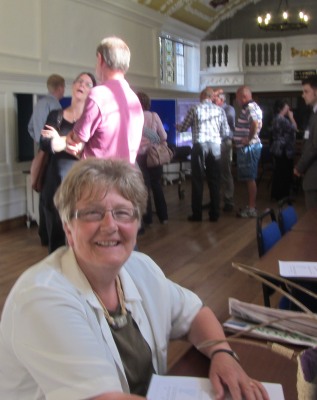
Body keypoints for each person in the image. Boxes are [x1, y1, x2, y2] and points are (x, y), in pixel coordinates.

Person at [0, 157, 269, 400]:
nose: (110, 225)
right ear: (68, 229)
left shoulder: (139, 268)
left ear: (137, 224)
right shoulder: (42, 297)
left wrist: (222, 353)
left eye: (122, 212)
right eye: (93, 212)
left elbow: (195, 313)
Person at [63, 36, 144, 164]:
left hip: (99, 178)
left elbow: (75, 140)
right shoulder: (135, 100)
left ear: (100, 59)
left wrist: (71, 138)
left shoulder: (98, 95)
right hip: (126, 178)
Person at [40, 72, 96, 253]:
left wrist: (60, 141)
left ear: (92, 92)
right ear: (72, 86)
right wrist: (72, 143)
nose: (82, 85)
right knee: (55, 239)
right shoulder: (56, 115)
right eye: (79, 81)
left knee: (80, 237)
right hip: (55, 184)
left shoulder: (91, 121)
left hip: (82, 187)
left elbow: (90, 152)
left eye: (87, 84)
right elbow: (46, 143)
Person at [177, 87, 230, 222]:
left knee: (197, 180)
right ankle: (215, 213)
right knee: (214, 180)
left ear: (201, 96)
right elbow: (225, 132)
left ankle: (197, 214)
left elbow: (183, 128)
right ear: (212, 97)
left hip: (199, 146)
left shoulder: (195, 109)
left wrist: (178, 127)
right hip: (215, 146)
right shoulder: (220, 110)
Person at [28, 74, 65, 246]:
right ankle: (52, 236)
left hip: (39, 150)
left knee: (43, 190)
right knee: (52, 192)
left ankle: (43, 233)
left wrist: (38, 140)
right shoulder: (56, 106)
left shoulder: (38, 104)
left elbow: (30, 127)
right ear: (60, 88)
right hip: (51, 151)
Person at [136, 91, 168, 225]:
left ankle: (147, 219)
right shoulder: (154, 116)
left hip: (139, 156)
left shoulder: (133, 117)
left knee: (144, 188)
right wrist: (153, 140)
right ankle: (163, 217)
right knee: (157, 186)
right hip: (154, 155)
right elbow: (164, 137)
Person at [234, 86, 263, 218]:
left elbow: (255, 123)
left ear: (243, 97)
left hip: (249, 148)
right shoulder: (253, 107)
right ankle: (251, 206)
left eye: (237, 97)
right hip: (250, 147)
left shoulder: (250, 107)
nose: (236, 100)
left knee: (250, 178)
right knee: (249, 178)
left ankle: (251, 208)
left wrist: (249, 138)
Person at [294, 75, 317, 209]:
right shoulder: (314, 114)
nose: (303, 95)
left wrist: (299, 167)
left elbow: (314, 147)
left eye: (306, 91)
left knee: (313, 223)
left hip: (314, 178)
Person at [270, 99, 297, 201]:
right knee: (284, 173)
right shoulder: (282, 119)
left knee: (278, 172)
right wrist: (291, 117)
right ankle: (283, 195)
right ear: (280, 109)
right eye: (286, 107)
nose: (288, 109)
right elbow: (294, 128)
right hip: (284, 150)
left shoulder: (275, 118)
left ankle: (276, 194)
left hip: (277, 149)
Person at [214, 91, 235, 212]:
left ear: (221, 100)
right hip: (216, 143)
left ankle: (228, 200)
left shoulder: (228, 110)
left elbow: (230, 128)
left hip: (224, 143)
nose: (212, 100)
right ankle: (216, 199)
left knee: (225, 172)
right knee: (215, 172)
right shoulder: (215, 109)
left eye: (215, 99)